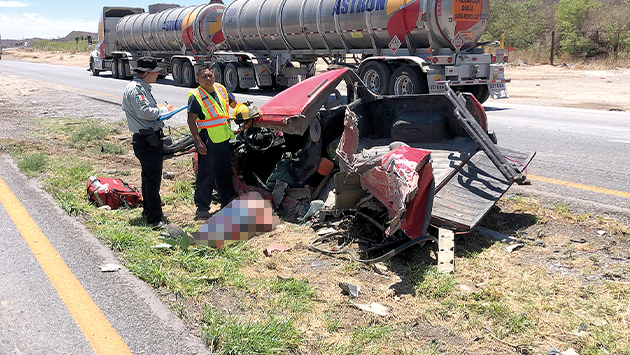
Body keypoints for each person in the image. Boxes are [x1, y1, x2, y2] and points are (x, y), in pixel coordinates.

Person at [122, 57, 175, 228]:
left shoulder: (140, 87)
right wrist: (163, 111)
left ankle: (148, 210)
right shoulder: (137, 89)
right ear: (145, 73)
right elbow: (145, 111)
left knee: (148, 178)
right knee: (152, 180)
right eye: (154, 71)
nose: (158, 73)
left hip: (147, 138)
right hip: (147, 139)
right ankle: (154, 218)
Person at [187, 65, 239, 219]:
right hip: (207, 140)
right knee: (206, 174)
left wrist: (244, 110)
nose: (208, 79)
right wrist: (198, 142)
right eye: (204, 77)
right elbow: (191, 121)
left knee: (225, 172)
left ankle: (227, 202)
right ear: (198, 79)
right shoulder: (196, 96)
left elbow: (235, 105)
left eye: (210, 75)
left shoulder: (221, 89)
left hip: (223, 139)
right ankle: (202, 208)